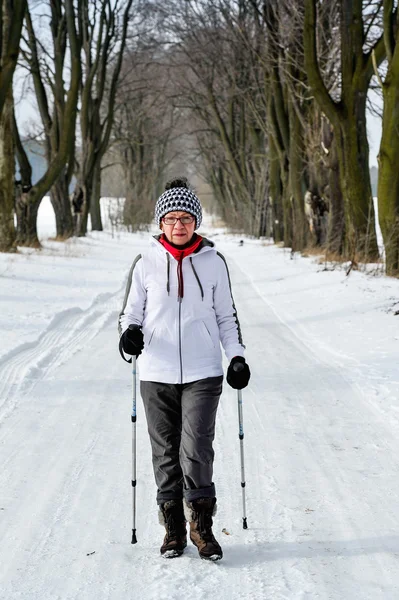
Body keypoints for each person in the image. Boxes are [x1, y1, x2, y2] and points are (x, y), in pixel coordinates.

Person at [118, 177, 250, 561]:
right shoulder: (144, 263)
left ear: (197, 222)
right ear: (160, 223)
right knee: (165, 452)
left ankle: (202, 528)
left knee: (195, 450)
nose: (179, 225)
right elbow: (131, 313)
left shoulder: (213, 262)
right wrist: (129, 334)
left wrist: (236, 356)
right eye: (171, 218)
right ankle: (173, 528)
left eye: (186, 218)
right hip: (156, 372)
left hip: (203, 371)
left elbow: (226, 315)